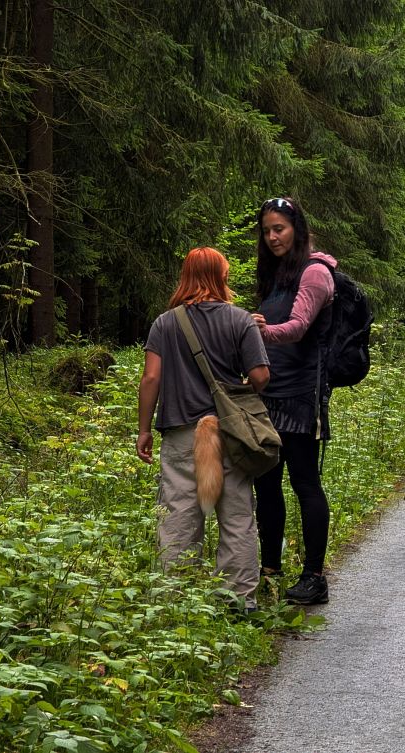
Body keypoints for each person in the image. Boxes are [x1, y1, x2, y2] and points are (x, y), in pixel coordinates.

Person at [137, 247, 270, 612]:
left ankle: (175, 604)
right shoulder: (241, 320)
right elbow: (259, 376)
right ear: (221, 276)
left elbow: (151, 378)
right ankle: (238, 602)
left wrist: (143, 429)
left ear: (186, 276)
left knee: (179, 516)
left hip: (181, 434)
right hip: (230, 434)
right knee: (237, 517)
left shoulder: (165, 323)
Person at [251, 196, 337, 605]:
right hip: (267, 396)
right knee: (266, 485)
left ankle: (314, 577)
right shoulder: (274, 276)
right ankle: (269, 570)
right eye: (266, 230)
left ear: (297, 229)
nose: (272, 237)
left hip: (302, 396)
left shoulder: (315, 272)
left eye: (279, 228)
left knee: (304, 483)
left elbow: (299, 327)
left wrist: (257, 332)